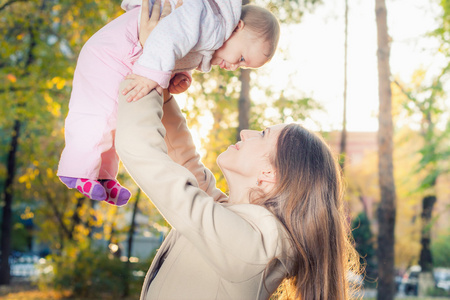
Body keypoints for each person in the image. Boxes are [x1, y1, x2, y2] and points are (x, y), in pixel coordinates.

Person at [57, 0, 280, 206]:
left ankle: (103, 176)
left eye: (242, 67)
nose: (233, 66)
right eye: (241, 58)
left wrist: (180, 75)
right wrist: (150, 74)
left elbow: (180, 50)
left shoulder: (212, 39)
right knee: (99, 115)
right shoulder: (209, 20)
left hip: (126, 56)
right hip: (111, 53)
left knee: (113, 123)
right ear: (237, 26)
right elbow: (168, 36)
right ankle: (77, 170)